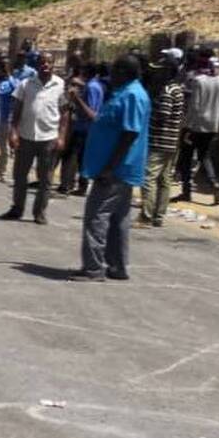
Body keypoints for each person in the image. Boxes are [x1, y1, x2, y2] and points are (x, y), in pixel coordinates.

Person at [72, 55, 150, 282]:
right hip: (114, 168)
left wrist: (109, 167)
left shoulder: (133, 95)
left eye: (115, 70)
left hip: (117, 170)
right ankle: (116, 266)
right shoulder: (122, 92)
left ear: (125, 72)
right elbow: (104, 122)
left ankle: (94, 268)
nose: (111, 75)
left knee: (96, 217)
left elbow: (130, 133)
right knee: (118, 219)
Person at [3, 52, 69, 225]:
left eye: (49, 62)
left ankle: (39, 212)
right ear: (37, 64)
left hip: (49, 138)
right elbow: (16, 111)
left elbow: (65, 114)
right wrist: (13, 132)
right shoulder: (25, 84)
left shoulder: (60, 85)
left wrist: (62, 137)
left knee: (45, 179)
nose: (45, 65)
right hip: (26, 136)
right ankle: (17, 208)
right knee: (20, 176)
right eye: (42, 62)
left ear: (54, 65)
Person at [138, 49, 186, 228]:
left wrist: (149, 113)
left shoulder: (166, 90)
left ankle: (146, 216)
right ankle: (159, 215)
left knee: (148, 178)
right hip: (172, 141)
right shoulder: (178, 89)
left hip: (159, 140)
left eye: (160, 69)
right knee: (164, 180)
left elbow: (163, 115)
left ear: (167, 71)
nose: (157, 72)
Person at [176, 52, 219, 205]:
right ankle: (215, 184)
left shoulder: (199, 81)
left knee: (186, 158)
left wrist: (186, 127)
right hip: (213, 125)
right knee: (204, 156)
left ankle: (186, 192)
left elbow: (195, 107)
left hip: (195, 125)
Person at [58, 63, 105, 197]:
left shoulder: (91, 87)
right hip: (87, 127)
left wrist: (77, 98)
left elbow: (90, 111)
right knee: (81, 157)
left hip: (84, 127)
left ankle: (67, 184)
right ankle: (80, 185)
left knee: (71, 156)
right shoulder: (95, 86)